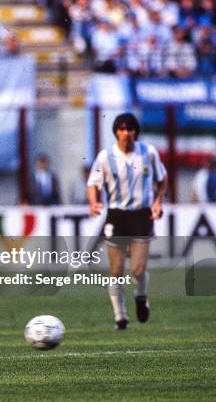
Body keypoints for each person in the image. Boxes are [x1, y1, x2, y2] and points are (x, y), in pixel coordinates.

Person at [87, 113, 167, 330]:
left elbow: (162, 179)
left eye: (130, 129)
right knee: (116, 271)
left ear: (135, 132)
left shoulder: (148, 152)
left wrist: (158, 202)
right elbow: (93, 182)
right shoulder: (105, 157)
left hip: (141, 214)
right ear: (116, 132)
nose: (126, 133)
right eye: (122, 129)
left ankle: (141, 297)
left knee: (138, 270)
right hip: (116, 215)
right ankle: (120, 316)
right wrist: (94, 203)